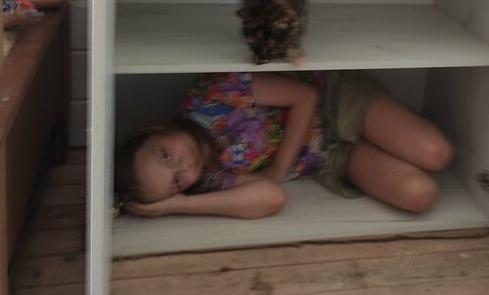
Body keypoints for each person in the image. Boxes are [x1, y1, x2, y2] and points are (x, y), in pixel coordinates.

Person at [115, 70, 453, 219]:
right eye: (176, 182)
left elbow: (304, 96)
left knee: (436, 154)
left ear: (155, 130)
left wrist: (278, 168)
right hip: (330, 155)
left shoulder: (208, 97)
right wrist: (176, 207)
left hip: (332, 102)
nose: (183, 166)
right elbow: (271, 197)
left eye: (165, 155)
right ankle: (386, 140)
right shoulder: (208, 180)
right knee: (419, 195)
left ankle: (387, 129)